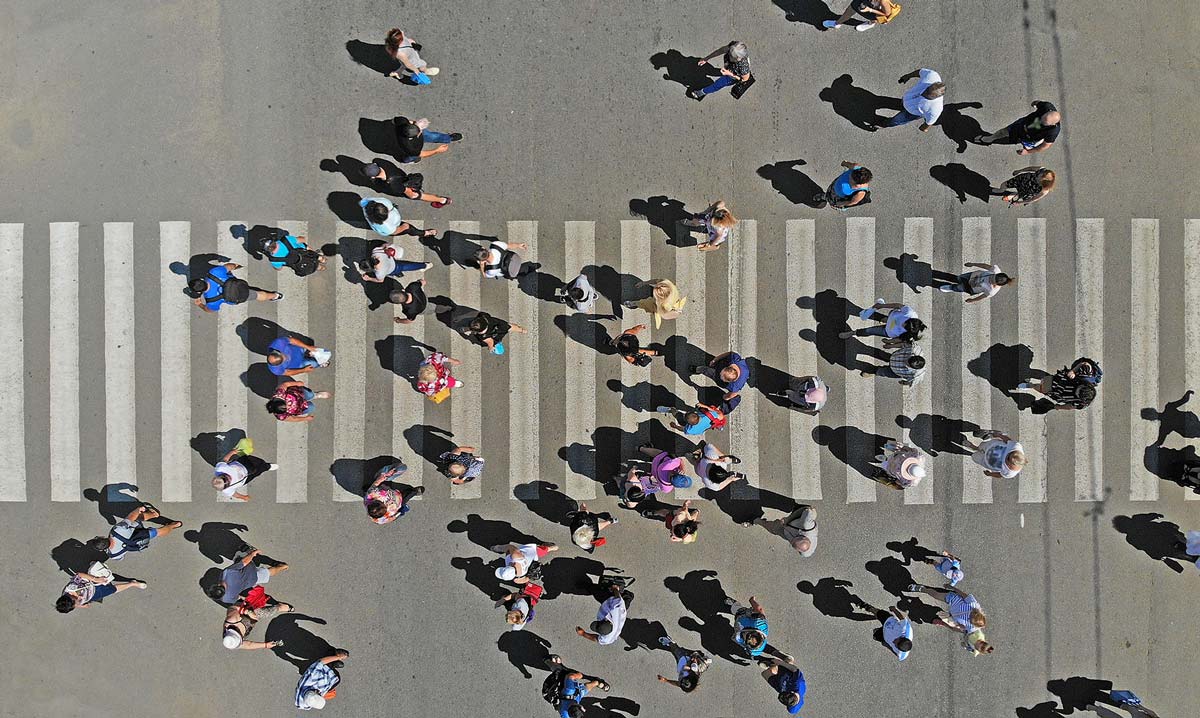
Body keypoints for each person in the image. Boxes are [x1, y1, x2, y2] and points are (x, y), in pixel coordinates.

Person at [903, 583, 992, 655]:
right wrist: (952, 587)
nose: (968, 619)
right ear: (975, 614)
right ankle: (922, 589)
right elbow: (963, 594)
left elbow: (960, 629)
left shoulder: (971, 627)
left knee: (929, 609)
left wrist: (947, 623)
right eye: (970, 618)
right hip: (953, 599)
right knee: (935, 594)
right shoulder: (973, 604)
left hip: (952, 613)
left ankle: (916, 599)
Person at [87, 504, 182, 561]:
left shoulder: (113, 555)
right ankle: (154, 514)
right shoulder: (117, 530)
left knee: (158, 532)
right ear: (103, 537)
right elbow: (131, 516)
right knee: (137, 518)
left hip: (140, 541)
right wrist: (138, 509)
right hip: (137, 531)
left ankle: (174, 525)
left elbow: (121, 558)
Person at [206, 546, 289, 605]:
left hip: (253, 579)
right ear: (217, 585)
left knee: (269, 573)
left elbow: (238, 597)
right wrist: (252, 554)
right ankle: (248, 550)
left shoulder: (226, 598)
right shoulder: (226, 573)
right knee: (239, 556)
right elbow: (244, 562)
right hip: (250, 567)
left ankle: (283, 567)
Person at [190, 261, 282, 312]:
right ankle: (275, 295)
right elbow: (230, 266)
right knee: (259, 293)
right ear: (201, 279)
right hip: (238, 284)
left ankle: (276, 296)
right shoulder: (213, 273)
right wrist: (236, 266)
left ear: (199, 292)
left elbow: (209, 310)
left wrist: (200, 305)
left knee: (257, 296)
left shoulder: (211, 301)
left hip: (238, 297)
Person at [978, 100, 1062, 155]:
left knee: (1014, 142)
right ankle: (990, 138)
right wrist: (1033, 104)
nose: (1041, 121)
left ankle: (1017, 142)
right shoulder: (1046, 106)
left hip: (1030, 138)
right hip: (1022, 124)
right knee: (1004, 131)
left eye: (1044, 123)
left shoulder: (1054, 131)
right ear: (1048, 112)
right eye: (1042, 118)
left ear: (1052, 124)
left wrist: (1028, 152)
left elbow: (1045, 146)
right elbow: (1036, 102)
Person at [360, 161, 451, 207]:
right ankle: (442, 200)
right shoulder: (381, 162)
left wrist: (414, 196)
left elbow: (408, 192)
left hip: (403, 186)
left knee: (419, 195)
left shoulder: (393, 185)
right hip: (402, 176)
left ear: (373, 177)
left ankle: (442, 200)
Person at [543, 656, 610, 718]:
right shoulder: (565, 715)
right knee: (586, 688)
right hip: (574, 695)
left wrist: (581, 676)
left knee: (566, 673)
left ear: (580, 706)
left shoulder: (570, 690)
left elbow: (570, 676)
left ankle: (549, 662)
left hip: (558, 684)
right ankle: (597, 682)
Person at [221, 592, 292, 651]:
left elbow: (232, 608)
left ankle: (279, 607)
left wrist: (248, 612)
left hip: (245, 609)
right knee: (260, 613)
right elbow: (248, 645)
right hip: (250, 621)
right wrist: (265, 645)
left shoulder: (232, 620)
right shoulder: (233, 642)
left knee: (263, 612)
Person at [1017, 361, 1098, 410]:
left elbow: (1070, 406)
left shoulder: (1083, 404)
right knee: (1045, 378)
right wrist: (1073, 371)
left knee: (1042, 388)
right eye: (1079, 389)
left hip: (1056, 393)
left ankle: (1030, 385)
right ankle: (1031, 378)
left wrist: (1058, 407)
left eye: (1078, 394)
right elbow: (1085, 364)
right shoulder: (1087, 377)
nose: (1076, 391)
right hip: (1058, 380)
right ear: (1085, 385)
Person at [840, 300, 925, 346]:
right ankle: (886, 319)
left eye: (904, 327)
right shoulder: (910, 313)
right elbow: (898, 305)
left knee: (868, 331)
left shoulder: (910, 334)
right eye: (905, 323)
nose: (902, 325)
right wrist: (881, 306)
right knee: (883, 318)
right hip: (892, 317)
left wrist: (890, 343)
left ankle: (853, 333)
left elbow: (901, 339)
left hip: (887, 331)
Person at [56, 570, 146, 613]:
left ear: (69, 597)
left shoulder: (71, 588)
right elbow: (74, 605)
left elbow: (79, 575)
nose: (75, 604)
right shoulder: (69, 604)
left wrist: (96, 579)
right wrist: (82, 606)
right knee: (113, 590)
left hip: (93, 587)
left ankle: (132, 583)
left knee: (108, 580)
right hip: (93, 595)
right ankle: (132, 584)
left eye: (74, 603)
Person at [211, 442, 277, 501]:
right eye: (228, 482)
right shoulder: (227, 490)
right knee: (257, 472)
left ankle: (264, 465)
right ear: (227, 486)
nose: (230, 478)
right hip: (246, 477)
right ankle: (267, 467)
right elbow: (234, 494)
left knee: (258, 461)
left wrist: (232, 452)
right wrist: (243, 497)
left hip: (241, 462)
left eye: (226, 477)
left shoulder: (221, 468)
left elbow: (225, 460)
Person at [687, 41, 752, 101]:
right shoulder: (733, 47)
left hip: (732, 76)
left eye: (732, 57)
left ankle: (701, 93)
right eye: (729, 54)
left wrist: (729, 74)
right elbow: (720, 51)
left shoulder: (743, 66)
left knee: (717, 84)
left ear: (738, 58)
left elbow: (745, 79)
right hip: (729, 68)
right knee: (719, 71)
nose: (729, 57)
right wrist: (706, 58)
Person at [750, 505, 818, 557]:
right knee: (792, 509)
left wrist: (785, 527)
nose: (792, 539)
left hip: (788, 529)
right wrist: (787, 520)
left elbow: (793, 540)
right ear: (803, 536)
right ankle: (795, 507)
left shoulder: (805, 553)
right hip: (797, 519)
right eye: (794, 538)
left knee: (774, 528)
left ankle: (757, 520)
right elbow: (809, 510)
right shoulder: (806, 524)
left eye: (791, 541)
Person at [359, 196, 439, 238]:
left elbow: (361, 202)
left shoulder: (367, 204)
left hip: (377, 225)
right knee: (410, 229)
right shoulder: (386, 226)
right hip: (396, 225)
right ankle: (424, 233)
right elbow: (395, 231)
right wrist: (405, 227)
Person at [392, 116, 462, 163]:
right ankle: (413, 159)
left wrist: (416, 124)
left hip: (401, 138)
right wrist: (437, 150)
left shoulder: (401, 122)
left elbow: (395, 121)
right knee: (409, 157)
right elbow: (423, 154)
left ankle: (448, 138)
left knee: (431, 136)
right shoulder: (411, 149)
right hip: (405, 152)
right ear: (419, 134)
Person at [934, 262, 1014, 302]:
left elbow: (982, 297)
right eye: (992, 277)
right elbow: (984, 266)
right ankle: (954, 281)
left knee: (958, 287)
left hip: (971, 288)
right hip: (971, 276)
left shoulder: (992, 291)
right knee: (958, 278)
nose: (990, 279)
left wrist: (972, 300)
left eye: (992, 281)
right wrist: (972, 264)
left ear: (997, 285)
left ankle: (951, 288)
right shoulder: (995, 270)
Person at [361, 242, 433, 282]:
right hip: (394, 262)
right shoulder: (375, 251)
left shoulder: (379, 273)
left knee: (406, 267)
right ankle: (425, 265)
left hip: (392, 270)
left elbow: (380, 280)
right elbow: (385, 245)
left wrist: (369, 278)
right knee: (408, 265)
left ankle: (424, 265)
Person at [861, 343, 926, 386]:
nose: (905, 362)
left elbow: (911, 382)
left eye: (907, 364)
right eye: (907, 360)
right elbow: (903, 344)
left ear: (913, 368)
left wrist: (905, 382)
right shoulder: (915, 349)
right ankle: (866, 349)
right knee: (880, 354)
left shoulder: (917, 375)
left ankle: (874, 372)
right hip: (894, 357)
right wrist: (891, 345)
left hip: (896, 371)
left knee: (881, 372)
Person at [462, 311, 527, 354]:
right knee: (509, 326)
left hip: (494, 335)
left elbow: (490, 342)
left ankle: (498, 343)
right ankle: (522, 330)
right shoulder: (485, 317)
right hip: (499, 326)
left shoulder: (483, 336)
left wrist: (491, 348)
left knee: (499, 350)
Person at [262, 233, 327, 275]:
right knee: (306, 248)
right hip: (307, 254)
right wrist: (299, 237)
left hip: (303, 266)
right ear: (273, 241)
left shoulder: (273, 260)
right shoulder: (286, 240)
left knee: (313, 265)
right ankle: (322, 259)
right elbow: (303, 239)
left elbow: (279, 269)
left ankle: (320, 268)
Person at [494, 542, 559, 584]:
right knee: (543, 550)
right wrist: (498, 548)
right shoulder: (516, 557)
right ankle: (552, 548)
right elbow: (510, 546)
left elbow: (527, 579)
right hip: (531, 552)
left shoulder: (518, 579)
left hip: (532, 561)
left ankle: (551, 548)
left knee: (541, 552)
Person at [266, 335, 332, 377]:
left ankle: (312, 355)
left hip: (300, 349)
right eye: (285, 360)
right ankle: (319, 363)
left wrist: (308, 347)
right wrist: (304, 370)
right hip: (299, 364)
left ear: (278, 352)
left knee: (316, 350)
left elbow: (293, 341)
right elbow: (288, 372)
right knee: (314, 364)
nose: (287, 357)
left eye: (284, 355)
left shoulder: (278, 343)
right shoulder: (275, 370)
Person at [989, 166, 1056, 206]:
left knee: (1021, 194)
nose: (1038, 175)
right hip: (1022, 179)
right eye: (1040, 174)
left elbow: (1033, 199)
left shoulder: (1044, 190)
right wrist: (1020, 171)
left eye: (1040, 178)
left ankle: (1014, 195)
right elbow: (1031, 168)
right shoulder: (1042, 170)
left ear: (1043, 183)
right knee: (1004, 184)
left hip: (1028, 190)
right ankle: (1001, 190)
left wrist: (1020, 203)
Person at [267, 381, 331, 422]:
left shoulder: (279, 394)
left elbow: (286, 384)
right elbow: (293, 419)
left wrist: (297, 383)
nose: (289, 406)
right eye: (288, 408)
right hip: (300, 408)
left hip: (299, 393)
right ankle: (312, 398)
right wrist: (305, 418)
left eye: (287, 404)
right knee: (312, 407)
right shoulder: (281, 416)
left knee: (310, 395)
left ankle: (316, 395)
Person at [823, 0, 899, 31]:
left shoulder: (883, 1)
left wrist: (869, 10)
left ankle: (870, 24)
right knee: (850, 9)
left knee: (873, 18)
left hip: (873, 10)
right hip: (864, 2)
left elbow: (886, 14)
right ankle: (837, 23)